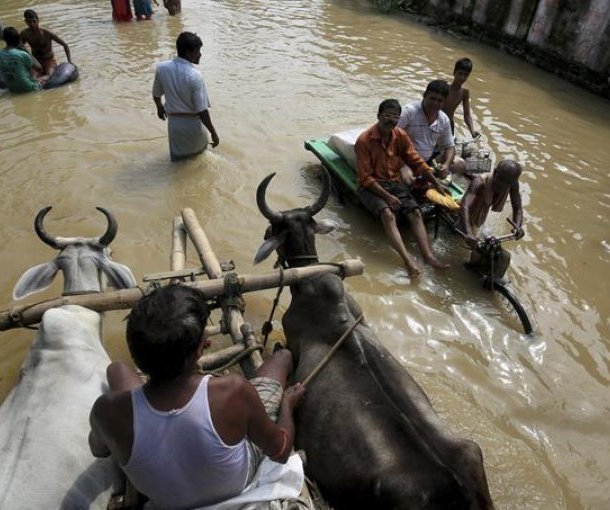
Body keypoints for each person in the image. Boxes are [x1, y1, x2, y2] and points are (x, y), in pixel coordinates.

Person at [89, 285, 306, 509]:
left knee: (116, 369)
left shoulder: (106, 411)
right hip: (235, 485)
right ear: (202, 347)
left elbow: (99, 450)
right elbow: (280, 452)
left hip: (167, 500)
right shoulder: (232, 391)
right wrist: (287, 405)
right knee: (281, 358)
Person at [355, 99, 451, 279]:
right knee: (388, 214)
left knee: (415, 212)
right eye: (387, 116)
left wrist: (436, 182)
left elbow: (416, 161)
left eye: (394, 117)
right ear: (378, 116)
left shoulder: (400, 135)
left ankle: (428, 256)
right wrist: (387, 197)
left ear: (399, 119)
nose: (390, 120)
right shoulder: (364, 140)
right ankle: (408, 261)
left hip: (393, 182)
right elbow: (365, 178)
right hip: (370, 186)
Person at [152, 32, 220, 161]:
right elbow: (202, 111)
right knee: (199, 160)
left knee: (178, 161)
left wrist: (160, 108)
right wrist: (213, 133)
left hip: (174, 125)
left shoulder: (162, 68)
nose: (200, 54)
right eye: (198, 51)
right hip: (192, 126)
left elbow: (156, 94)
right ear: (189, 52)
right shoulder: (195, 75)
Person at [458, 159, 525, 274]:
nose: (503, 184)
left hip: (480, 211)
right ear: (495, 172)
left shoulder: (513, 184)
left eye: (508, 182)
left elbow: (517, 207)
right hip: (468, 209)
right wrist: (468, 233)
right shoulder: (480, 181)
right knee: (470, 239)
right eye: (501, 179)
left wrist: (518, 226)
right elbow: (465, 207)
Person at [397, 79, 466, 181]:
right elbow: (389, 138)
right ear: (425, 95)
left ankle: (437, 179)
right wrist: (402, 165)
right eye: (432, 98)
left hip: (427, 159)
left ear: (444, 102)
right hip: (405, 159)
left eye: (439, 101)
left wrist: (446, 165)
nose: (435, 103)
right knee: (407, 179)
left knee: (460, 164)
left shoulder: (443, 119)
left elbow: (450, 147)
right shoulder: (409, 112)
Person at [20, 10, 72, 77]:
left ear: (38, 20)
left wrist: (69, 61)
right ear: (26, 22)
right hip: (36, 62)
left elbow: (65, 45)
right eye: (29, 22)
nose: (32, 24)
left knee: (49, 77)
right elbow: (19, 47)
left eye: (34, 21)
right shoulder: (25, 34)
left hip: (49, 61)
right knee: (33, 78)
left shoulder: (46, 33)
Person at [0, 26, 45, 93]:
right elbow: (40, 68)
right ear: (18, 39)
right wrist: (25, 50)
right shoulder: (22, 54)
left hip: (12, 89)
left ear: (4, 39)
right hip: (29, 88)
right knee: (42, 80)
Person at [444, 58, 479, 139]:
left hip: (449, 123)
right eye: (460, 73)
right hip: (437, 122)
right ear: (454, 72)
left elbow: (467, 114)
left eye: (466, 75)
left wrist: (472, 131)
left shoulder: (465, 92)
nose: (462, 77)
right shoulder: (445, 88)